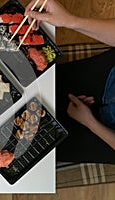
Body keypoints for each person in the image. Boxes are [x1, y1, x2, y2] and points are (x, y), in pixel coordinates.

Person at [25, 0, 115, 163]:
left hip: (108, 133)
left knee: (33, 144)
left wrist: (90, 122)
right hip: (111, 78)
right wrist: (69, 20)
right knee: (35, 80)